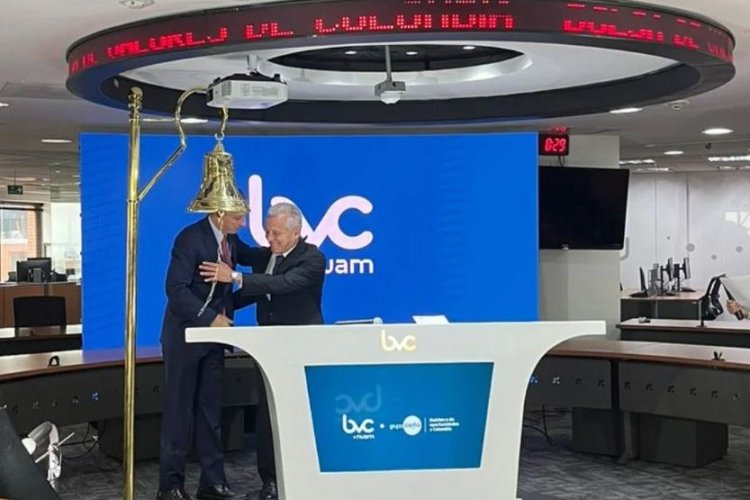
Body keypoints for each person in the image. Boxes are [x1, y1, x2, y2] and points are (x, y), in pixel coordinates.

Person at [199, 202, 326, 500]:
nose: (270, 238)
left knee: (299, 413)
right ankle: (270, 481)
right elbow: (239, 256)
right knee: (268, 413)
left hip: (302, 347)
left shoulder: (313, 259)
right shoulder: (265, 255)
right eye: (268, 232)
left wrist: (234, 277)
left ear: (296, 232)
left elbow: (283, 284)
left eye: (276, 233)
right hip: (268, 347)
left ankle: (304, 478)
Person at [157, 211, 261, 500]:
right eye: (238, 218)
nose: (242, 223)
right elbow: (175, 289)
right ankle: (170, 487)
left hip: (213, 342)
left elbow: (255, 257)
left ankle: (212, 483)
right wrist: (210, 318)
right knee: (179, 414)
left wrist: (287, 251)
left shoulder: (231, 240)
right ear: (219, 213)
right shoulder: (190, 238)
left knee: (210, 412)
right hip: (184, 339)